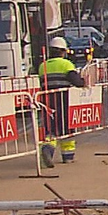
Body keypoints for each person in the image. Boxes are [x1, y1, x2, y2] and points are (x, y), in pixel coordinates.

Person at [39, 36, 87, 168]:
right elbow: (77, 82)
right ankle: (68, 156)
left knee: (51, 129)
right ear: (63, 51)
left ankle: (48, 149)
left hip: (47, 103)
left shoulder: (43, 66)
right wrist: (83, 81)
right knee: (66, 128)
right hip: (64, 101)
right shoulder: (66, 64)